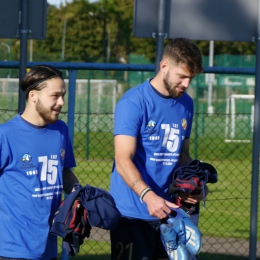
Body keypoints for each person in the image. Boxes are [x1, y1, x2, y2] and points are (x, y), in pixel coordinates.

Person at [110, 38, 207, 260]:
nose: (186, 84)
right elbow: (123, 158)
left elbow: (182, 155)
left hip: (170, 213)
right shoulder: (133, 102)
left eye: (190, 78)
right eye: (181, 76)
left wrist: (196, 185)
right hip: (132, 215)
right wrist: (148, 196)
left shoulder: (186, 104)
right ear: (164, 66)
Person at [0, 65, 80, 260]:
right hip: (12, 249)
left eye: (63, 95)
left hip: (47, 247)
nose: (61, 102)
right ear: (33, 95)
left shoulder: (60, 130)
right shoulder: (6, 135)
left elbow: (64, 172)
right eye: (55, 95)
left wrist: (79, 193)